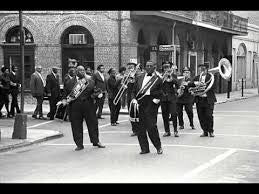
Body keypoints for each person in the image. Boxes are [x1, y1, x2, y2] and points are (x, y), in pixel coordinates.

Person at [61, 65, 105, 151]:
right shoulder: (69, 82)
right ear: (76, 72)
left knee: (93, 124)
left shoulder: (90, 81)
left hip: (88, 105)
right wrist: (63, 100)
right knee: (76, 126)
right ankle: (79, 144)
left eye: (83, 71)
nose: (82, 72)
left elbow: (95, 90)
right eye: (80, 71)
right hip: (75, 107)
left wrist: (97, 94)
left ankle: (96, 141)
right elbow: (65, 94)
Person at [132, 60, 163, 154]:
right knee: (140, 128)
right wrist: (133, 99)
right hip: (139, 104)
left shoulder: (158, 79)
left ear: (154, 67)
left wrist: (155, 98)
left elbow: (162, 92)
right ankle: (144, 148)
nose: (148, 67)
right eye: (147, 65)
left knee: (151, 127)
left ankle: (158, 147)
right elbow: (134, 90)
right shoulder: (139, 77)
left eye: (151, 66)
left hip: (151, 104)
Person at [188, 62, 217, 137]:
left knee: (209, 115)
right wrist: (196, 84)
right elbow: (189, 84)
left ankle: (210, 131)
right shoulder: (197, 77)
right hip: (199, 99)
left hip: (208, 99)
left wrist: (204, 85)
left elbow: (214, 87)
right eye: (201, 68)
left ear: (207, 69)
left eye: (204, 68)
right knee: (201, 116)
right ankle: (205, 131)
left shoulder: (211, 77)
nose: (202, 70)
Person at [161, 61, 179, 137]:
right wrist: (163, 78)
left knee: (174, 114)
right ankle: (167, 131)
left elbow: (177, 84)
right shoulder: (160, 76)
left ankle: (175, 130)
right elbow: (158, 85)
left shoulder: (174, 75)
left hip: (172, 98)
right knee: (165, 115)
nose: (166, 68)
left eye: (168, 67)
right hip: (163, 98)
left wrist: (172, 79)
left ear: (170, 67)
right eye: (165, 67)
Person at [126, 62, 141, 136]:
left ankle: (139, 129)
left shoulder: (138, 76)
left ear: (135, 68)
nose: (130, 69)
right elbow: (123, 84)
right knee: (131, 113)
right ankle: (134, 130)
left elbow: (138, 85)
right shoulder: (127, 75)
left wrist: (133, 77)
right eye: (129, 67)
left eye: (131, 67)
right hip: (129, 97)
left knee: (138, 114)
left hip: (136, 96)